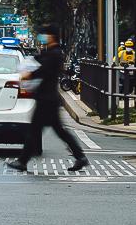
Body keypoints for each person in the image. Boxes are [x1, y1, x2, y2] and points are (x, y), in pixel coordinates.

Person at [7, 24, 88, 175]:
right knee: (58, 131)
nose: (43, 36)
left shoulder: (55, 53)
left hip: (47, 98)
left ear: (52, 36)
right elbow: (39, 59)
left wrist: (29, 75)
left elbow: (44, 71)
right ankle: (80, 157)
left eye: (45, 34)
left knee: (35, 130)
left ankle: (22, 161)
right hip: (48, 98)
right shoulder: (50, 52)